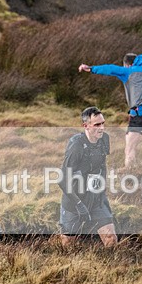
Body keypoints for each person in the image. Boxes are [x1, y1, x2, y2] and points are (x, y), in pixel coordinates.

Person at [79, 52, 142, 167]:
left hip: (139, 115)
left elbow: (109, 69)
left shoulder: (127, 72)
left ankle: (129, 178)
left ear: (126, 65)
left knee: (129, 150)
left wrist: (91, 69)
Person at [58, 106, 118, 247]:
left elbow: (102, 166)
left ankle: (111, 267)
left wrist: (102, 192)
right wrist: (79, 204)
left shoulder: (104, 139)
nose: (102, 128)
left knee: (111, 238)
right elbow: (62, 180)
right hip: (74, 198)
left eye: (103, 123)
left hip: (96, 197)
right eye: (97, 124)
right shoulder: (76, 145)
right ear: (85, 126)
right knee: (68, 244)